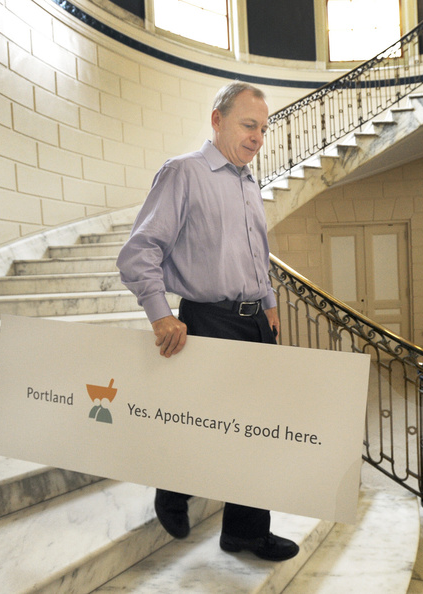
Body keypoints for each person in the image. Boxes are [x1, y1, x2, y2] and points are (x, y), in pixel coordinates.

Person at [116, 81, 298, 562]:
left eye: (263, 128)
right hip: (207, 319)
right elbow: (139, 252)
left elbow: (256, 251)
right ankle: (173, 491)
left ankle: (246, 531)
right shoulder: (184, 173)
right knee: (205, 426)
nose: (258, 137)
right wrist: (159, 314)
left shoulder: (247, 181)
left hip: (254, 321)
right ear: (217, 121)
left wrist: (268, 299)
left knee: (257, 430)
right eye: (248, 125)